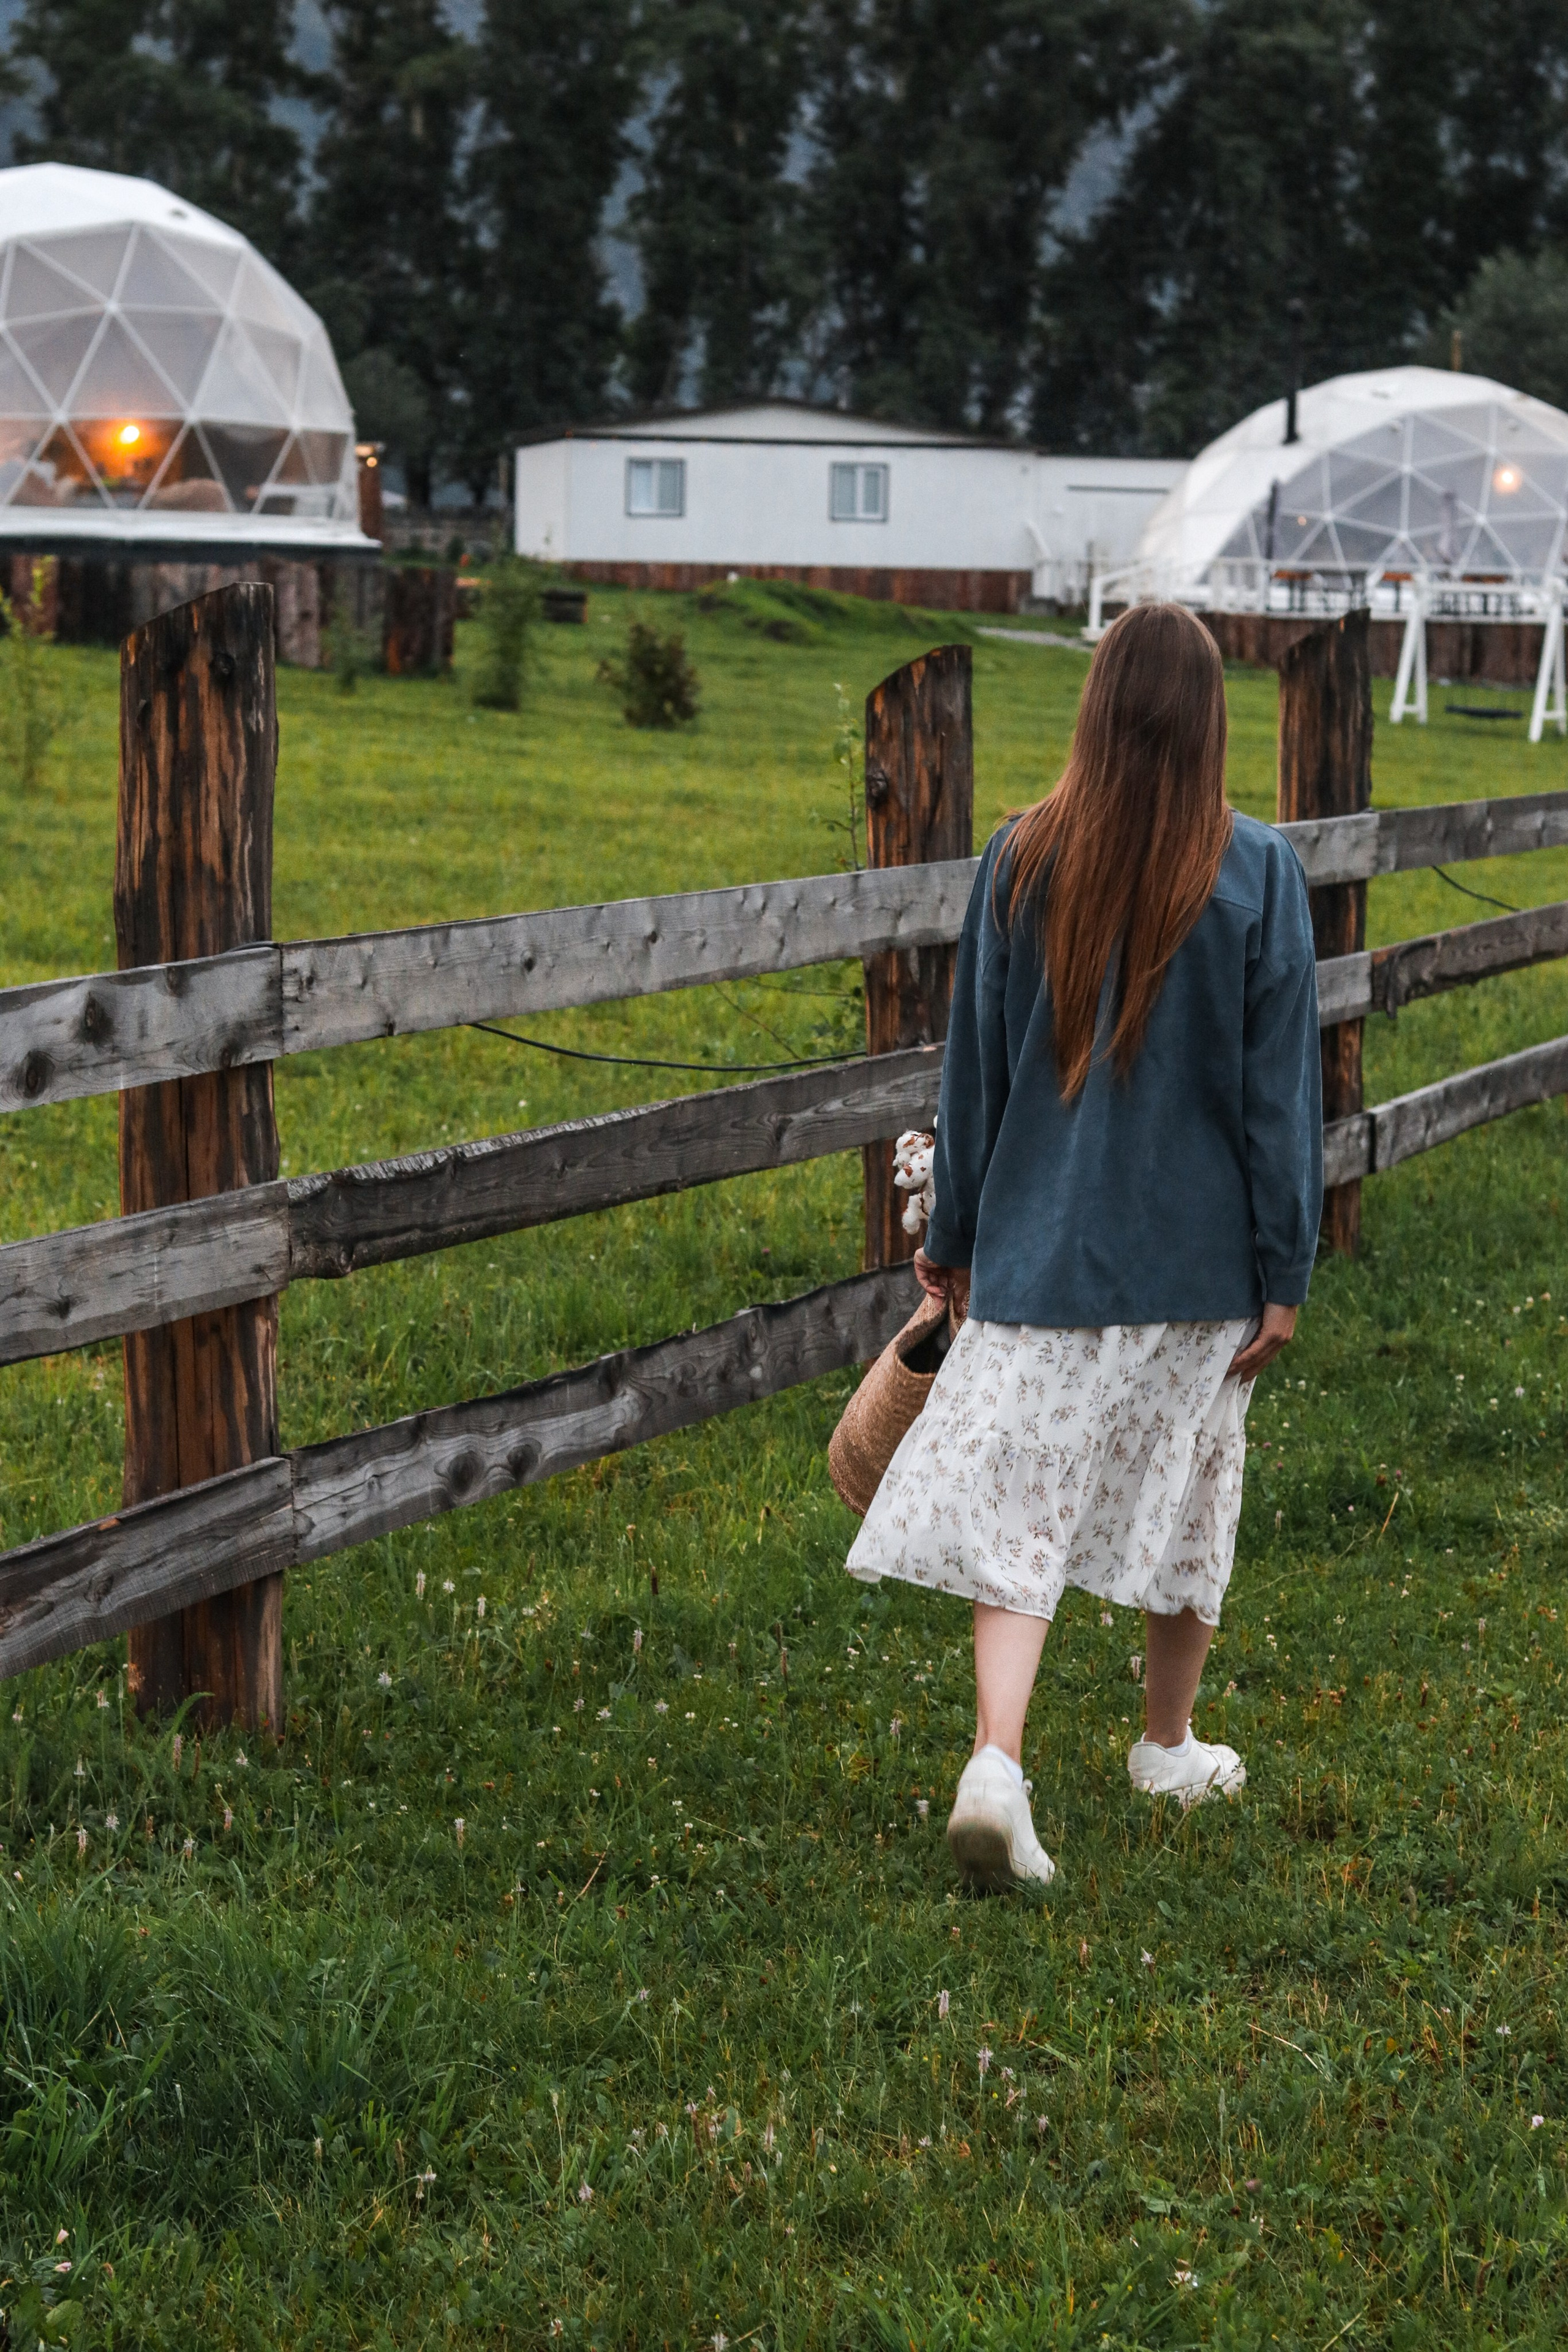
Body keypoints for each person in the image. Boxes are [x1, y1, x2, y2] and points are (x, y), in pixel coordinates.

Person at [845, 602, 1322, 1890]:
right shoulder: (1259, 872)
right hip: (1198, 1269)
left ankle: (996, 1762)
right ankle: (1163, 1743)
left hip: (1045, 1257)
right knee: (1190, 1489)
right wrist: (1285, 1270)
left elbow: (974, 1079)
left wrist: (948, 1239)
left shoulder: (1018, 857)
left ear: (1095, 708)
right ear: (1212, 721)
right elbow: (1281, 1098)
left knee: (1024, 1509)